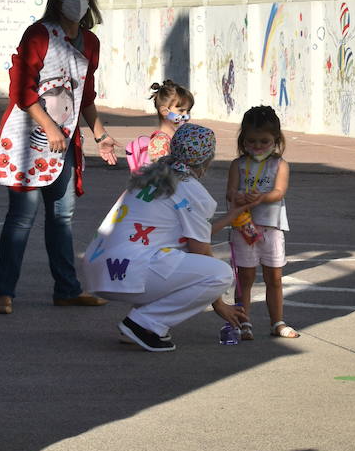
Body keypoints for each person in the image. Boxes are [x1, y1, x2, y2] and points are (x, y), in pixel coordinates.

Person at [0, 0, 121, 313]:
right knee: (22, 216)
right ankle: (4, 292)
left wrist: (100, 134)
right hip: (28, 140)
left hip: (64, 144)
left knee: (62, 217)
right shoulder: (39, 34)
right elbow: (21, 89)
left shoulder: (90, 42)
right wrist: (49, 127)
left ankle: (67, 289)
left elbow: (85, 96)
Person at [81, 123, 244, 352]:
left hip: (99, 268)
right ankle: (143, 324)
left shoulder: (152, 175)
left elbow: (191, 235)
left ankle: (140, 324)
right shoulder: (191, 190)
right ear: (207, 159)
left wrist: (229, 217)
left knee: (173, 256)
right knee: (220, 274)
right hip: (127, 270)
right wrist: (219, 303)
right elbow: (200, 250)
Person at [226, 105, 296, 341]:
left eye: (264, 141)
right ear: (243, 140)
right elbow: (230, 192)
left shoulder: (280, 164)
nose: (257, 146)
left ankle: (277, 322)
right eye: (251, 141)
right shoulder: (237, 164)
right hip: (244, 228)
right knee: (244, 279)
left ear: (275, 140)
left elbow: (279, 191)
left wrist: (261, 197)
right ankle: (243, 322)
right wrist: (238, 196)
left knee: (274, 278)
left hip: (271, 228)